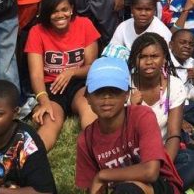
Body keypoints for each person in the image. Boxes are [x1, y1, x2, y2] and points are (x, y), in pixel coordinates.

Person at [75, 56, 184, 194]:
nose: (106, 97)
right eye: (98, 92)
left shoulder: (142, 116)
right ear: (87, 98)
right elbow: (92, 186)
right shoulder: (86, 140)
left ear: (127, 94)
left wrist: (103, 175)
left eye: (114, 91)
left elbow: (151, 172)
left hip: (158, 185)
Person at [128, 32, 194, 190]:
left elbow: (173, 135)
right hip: (130, 155)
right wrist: (133, 109)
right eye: (142, 57)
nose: (149, 62)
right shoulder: (125, 86)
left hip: (161, 153)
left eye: (154, 56)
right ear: (134, 60)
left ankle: (150, 188)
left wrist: (162, 167)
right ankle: (164, 188)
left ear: (164, 58)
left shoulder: (174, 86)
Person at [25, 0, 99, 151]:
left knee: (89, 109)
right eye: (54, 11)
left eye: (64, 9)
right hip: (51, 87)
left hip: (79, 83)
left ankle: (101, 150)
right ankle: (28, 159)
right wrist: (43, 101)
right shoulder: (37, 31)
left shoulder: (84, 24)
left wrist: (71, 72)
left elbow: (92, 66)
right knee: (51, 120)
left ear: (71, 9)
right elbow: (36, 75)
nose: (60, 15)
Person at [103, 0, 172, 60]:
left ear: (154, 10)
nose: (143, 13)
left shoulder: (162, 32)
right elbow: (112, 51)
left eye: (148, 9)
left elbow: (166, 60)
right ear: (132, 9)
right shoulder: (123, 26)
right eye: (139, 9)